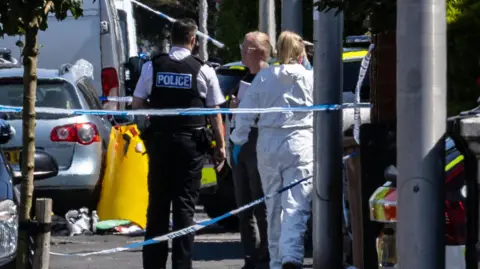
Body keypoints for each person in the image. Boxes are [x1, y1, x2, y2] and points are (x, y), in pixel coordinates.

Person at [131, 18, 226, 269]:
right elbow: (215, 113)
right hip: (190, 147)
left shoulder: (153, 66)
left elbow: (137, 104)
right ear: (193, 40)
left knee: (158, 206)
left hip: (160, 144)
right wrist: (221, 147)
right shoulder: (203, 69)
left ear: (171, 37)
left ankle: (153, 264)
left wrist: (148, 131)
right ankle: (182, 264)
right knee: (185, 208)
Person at [230, 31, 314, 269]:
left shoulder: (265, 77)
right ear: (301, 53)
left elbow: (245, 114)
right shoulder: (309, 78)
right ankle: (291, 255)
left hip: (268, 146)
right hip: (300, 144)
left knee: (273, 205)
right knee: (296, 204)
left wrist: (238, 140)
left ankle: (277, 261)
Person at [230, 31, 271, 269]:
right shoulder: (244, 78)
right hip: (240, 143)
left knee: (260, 203)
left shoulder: (269, 78)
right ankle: (250, 257)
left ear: (258, 52)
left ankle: (265, 256)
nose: (242, 53)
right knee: (243, 205)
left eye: (246, 49)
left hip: (259, 142)